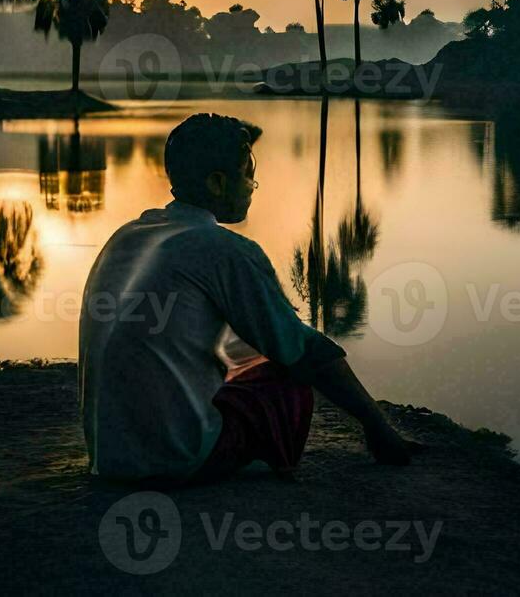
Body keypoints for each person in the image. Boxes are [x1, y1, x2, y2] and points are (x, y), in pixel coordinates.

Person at [79, 113, 419, 484]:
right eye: (247, 174)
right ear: (217, 183)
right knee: (287, 374)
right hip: (173, 461)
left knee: (242, 356)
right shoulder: (224, 249)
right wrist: (377, 427)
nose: (253, 186)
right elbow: (305, 352)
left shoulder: (128, 234)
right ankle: (246, 460)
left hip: (109, 458)